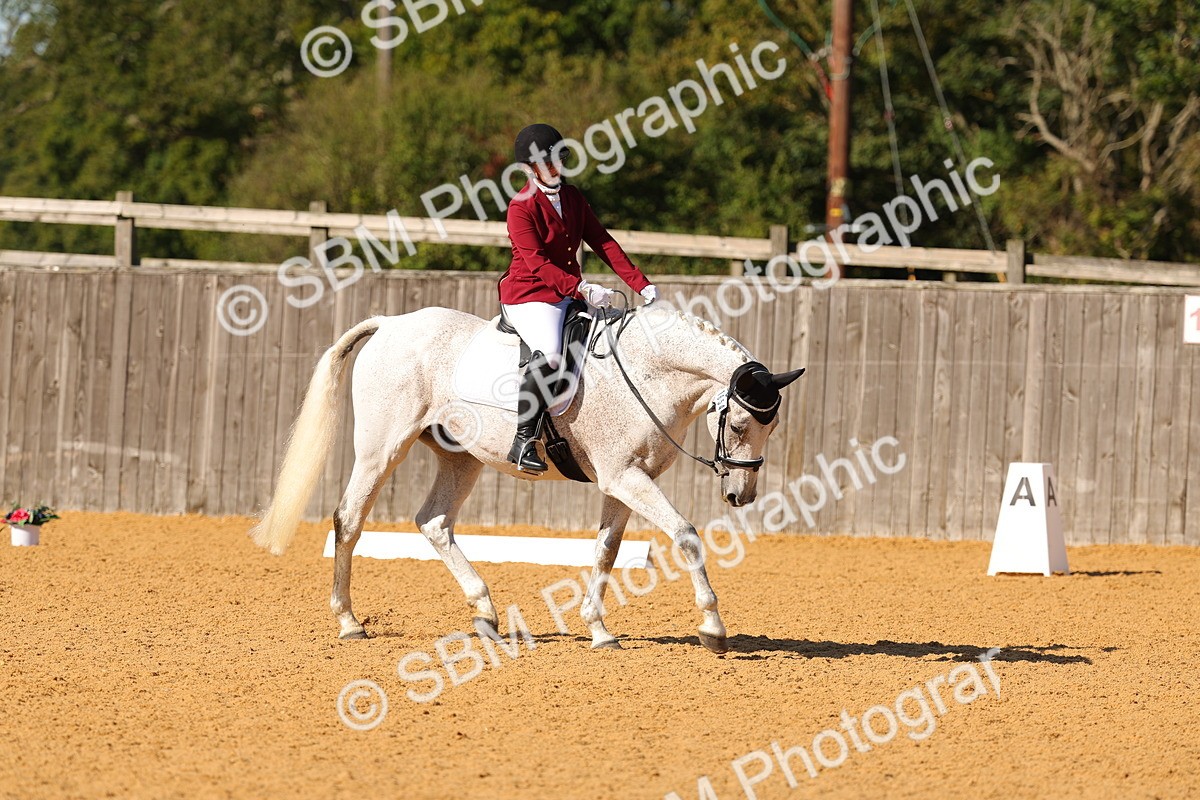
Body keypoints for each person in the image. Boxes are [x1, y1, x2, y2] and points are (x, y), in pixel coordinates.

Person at [500, 123, 658, 473]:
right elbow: (538, 264)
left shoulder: (572, 198)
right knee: (553, 355)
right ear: (529, 168)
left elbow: (603, 242)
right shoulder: (520, 208)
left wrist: (640, 284)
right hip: (530, 296)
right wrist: (582, 288)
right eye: (548, 161)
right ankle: (524, 439)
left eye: (560, 158)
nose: (557, 166)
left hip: (566, 293)